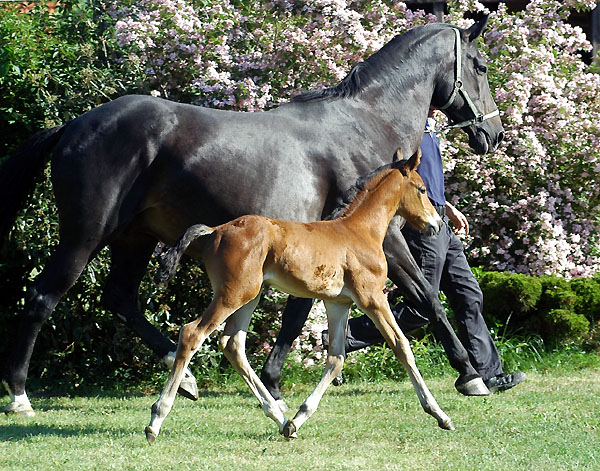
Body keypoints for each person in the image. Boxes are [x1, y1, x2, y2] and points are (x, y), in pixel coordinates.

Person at [325, 109, 526, 393]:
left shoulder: (428, 127)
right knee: (422, 307)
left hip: (440, 218)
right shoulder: (407, 128)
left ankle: (488, 373)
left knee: (468, 293)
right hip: (421, 227)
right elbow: (402, 181)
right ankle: (345, 336)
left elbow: (424, 178)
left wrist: (448, 206)